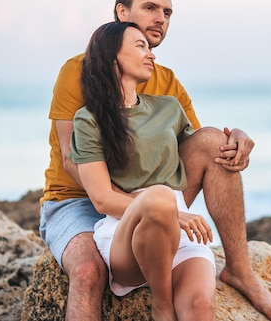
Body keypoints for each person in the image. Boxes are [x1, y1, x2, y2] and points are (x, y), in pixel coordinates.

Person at [39, 0, 271, 321]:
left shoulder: (166, 82)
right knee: (89, 271)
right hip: (78, 198)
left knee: (216, 145)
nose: (160, 19)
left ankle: (239, 269)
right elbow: (71, 158)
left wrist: (234, 140)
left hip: (153, 200)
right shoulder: (77, 71)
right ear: (121, 12)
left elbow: (196, 148)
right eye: (150, 7)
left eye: (167, 12)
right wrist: (155, 207)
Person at [71, 21, 216, 320]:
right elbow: (101, 199)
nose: (151, 55)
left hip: (179, 233)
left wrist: (233, 138)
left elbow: (201, 150)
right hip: (128, 234)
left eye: (149, 48)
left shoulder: (169, 108)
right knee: (161, 197)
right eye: (140, 46)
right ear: (113, 58)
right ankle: (162, 306)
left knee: (201, 306)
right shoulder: (89, 120)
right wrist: (168, 211)